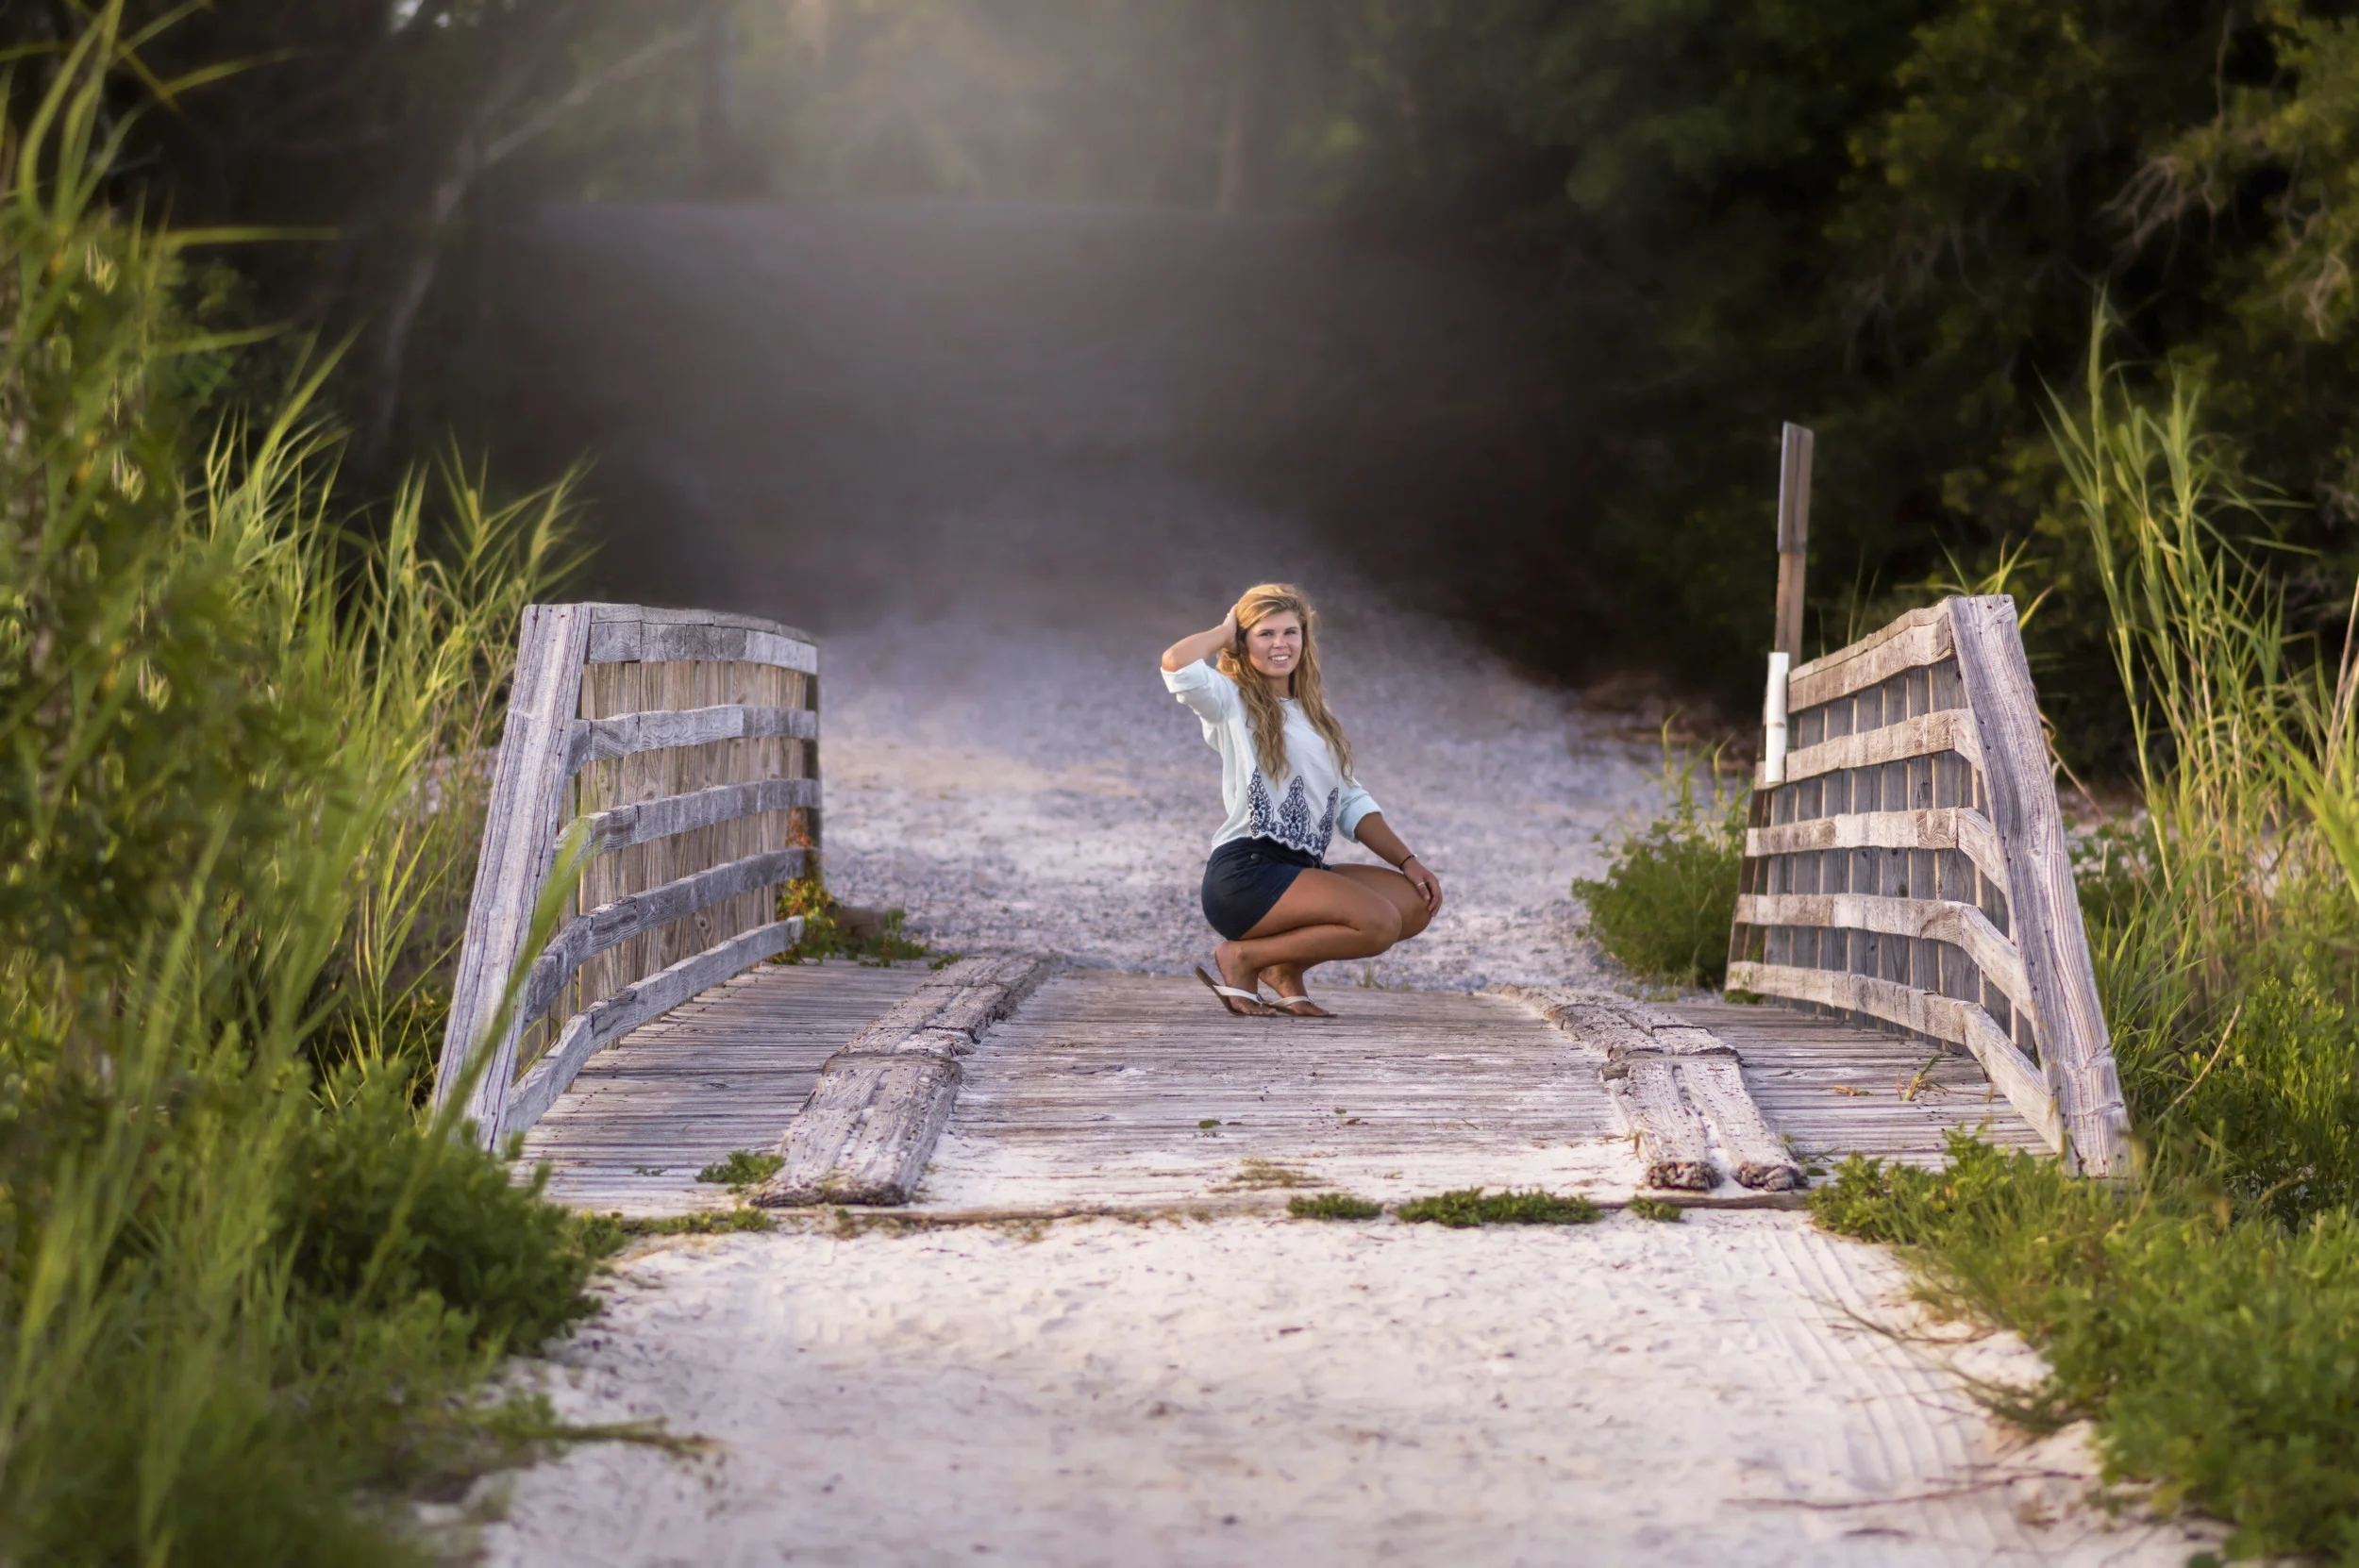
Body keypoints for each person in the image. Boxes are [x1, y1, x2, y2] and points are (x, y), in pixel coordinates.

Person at [1159, 583, 1442, 1016]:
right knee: (1378, 922)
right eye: (1265, 634)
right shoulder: (1229, 699)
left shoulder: (1314, 717)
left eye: (1290, 632)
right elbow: (1175, 663)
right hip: (1248, 874)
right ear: (1243, 641)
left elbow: (1351, 802)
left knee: (1413, 905)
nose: (1280, 644)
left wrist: (1408, 861)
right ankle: (1243, 957)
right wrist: (1224, 630)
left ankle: (1284, 969)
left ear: (1304, 639)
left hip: (1300, 871)